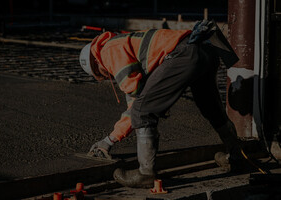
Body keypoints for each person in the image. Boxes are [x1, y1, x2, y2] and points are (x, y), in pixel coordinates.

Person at [80, 20, 242, 188]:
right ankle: (235, 156)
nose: (108, 77)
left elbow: (137, 105)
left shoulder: (109, 52)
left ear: (96, 63)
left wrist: (109, 140)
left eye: (101, 75)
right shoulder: (123, 43)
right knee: (211, 108)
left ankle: (145, 173)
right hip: (205, 50)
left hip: (184, 53)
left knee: (142, 112)